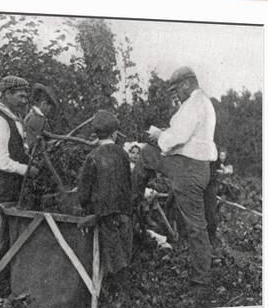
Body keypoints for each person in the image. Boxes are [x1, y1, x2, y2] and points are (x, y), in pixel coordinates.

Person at [138, 66, 217, 285]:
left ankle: (202, 278)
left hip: (188, 169)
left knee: (195, 225)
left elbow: (177, 137)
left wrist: (158, 135)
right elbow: (184, 137)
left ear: (186, 84)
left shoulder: (193, 104)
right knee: (199, 223)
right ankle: (135, 198)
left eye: (176, 90)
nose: (176, 95)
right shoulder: (204, 103)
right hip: (196, 167)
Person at [77, 110, 133, 278]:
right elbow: (128, 182)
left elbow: (84, 190)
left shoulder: (92, 156)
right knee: (124, 245)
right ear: (114, 134)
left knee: (112, 250)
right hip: (124, 209)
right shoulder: (123, 154)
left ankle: (115, 284)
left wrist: (85, 205)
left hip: (105, 212)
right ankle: (125, 281)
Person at [0, 75, 39, 204]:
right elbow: (0, 161)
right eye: (21, 96)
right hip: (1, 192)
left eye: (26, 97)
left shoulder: (16, 120)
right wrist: (27, 170)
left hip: (15, 191)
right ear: (8, 94)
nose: (25, 101)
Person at [23, 83, 59, 150]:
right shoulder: (37, 118)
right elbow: (45, 140)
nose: (49, 112)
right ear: (44, 104)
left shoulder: (31, 116)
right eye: (49, 108)